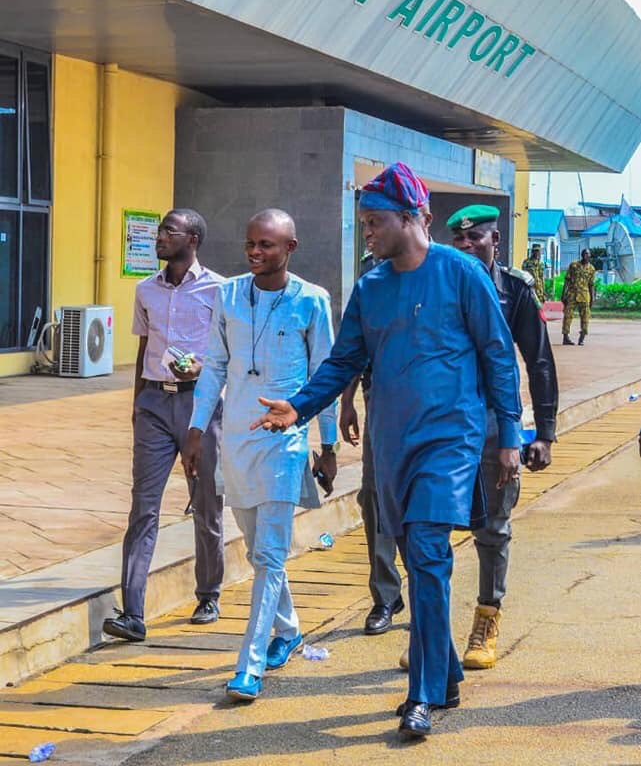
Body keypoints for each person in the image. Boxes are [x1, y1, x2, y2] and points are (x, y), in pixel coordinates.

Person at [250, 163, 522, 740]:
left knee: (426, 551)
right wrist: (300, 407)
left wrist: (512, 436)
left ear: (409, 218)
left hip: (452, 440)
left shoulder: (464, 274)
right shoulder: (372, 287)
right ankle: (445, 670)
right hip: (391, 443)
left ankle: (420, 695)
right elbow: (345, 361)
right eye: (364, 223)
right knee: (415, 559)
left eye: (374, 222)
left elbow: (498, 355)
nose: (367, 233)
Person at [185, 209, 338, 703]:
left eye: (267, 245)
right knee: (257, 551)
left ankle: (248, 667)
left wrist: (329, 445)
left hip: (284, 441)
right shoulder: (227, 294)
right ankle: (289, 630)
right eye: (250, 243)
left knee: (269, 555)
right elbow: (212, 366)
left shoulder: (312, 301)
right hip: (236, 438)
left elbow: (325, 378)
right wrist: (194, 428)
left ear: (290, 248)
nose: (255, 252)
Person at [444, 204, 558, 670]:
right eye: (460, 240)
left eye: (477, 238)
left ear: (496, 240)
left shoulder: (514, 289)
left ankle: (487, 619)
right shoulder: (440, 280)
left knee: (492, 525)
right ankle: (431, 633)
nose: (468, 245)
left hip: (495, 420)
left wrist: (544, 433)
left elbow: (540, 361)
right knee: (428, 527)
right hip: (446, 418)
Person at [103, 209, 225, 643]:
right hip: (154, 403)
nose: (160, 237)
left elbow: (228, 353)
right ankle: (132, 612)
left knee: (206, 501)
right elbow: (143, 347)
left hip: (200, 405)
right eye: (159, 231)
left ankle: (209, 593)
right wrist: (138, 401)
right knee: (143, 506)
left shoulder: (219, 290)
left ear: (192, 239)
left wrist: (202, 369)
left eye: (169, 231)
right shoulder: (144, 290)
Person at [339, 249, 404, 636]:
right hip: (378, 398)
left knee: (421, 501)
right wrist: (347, 402)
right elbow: (354, 348)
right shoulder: (371, 277)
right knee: (375, 497)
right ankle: (385, 596)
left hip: (426, 403)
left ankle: (430, 596)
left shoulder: (437, 274)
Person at [562, 248, 596, 345]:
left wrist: (592, 298)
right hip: (572, 294)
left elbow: (591, 284)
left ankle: (582, 338)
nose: (586, 256)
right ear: (582, 255)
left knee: (585, 317)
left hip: (585, 296)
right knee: (568, 316)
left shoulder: (591, 269)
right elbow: (567, 280)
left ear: (590, 256)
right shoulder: (574, 265)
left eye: (588, 254)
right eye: (585, 254)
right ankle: (565, 337)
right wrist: (563, 294)